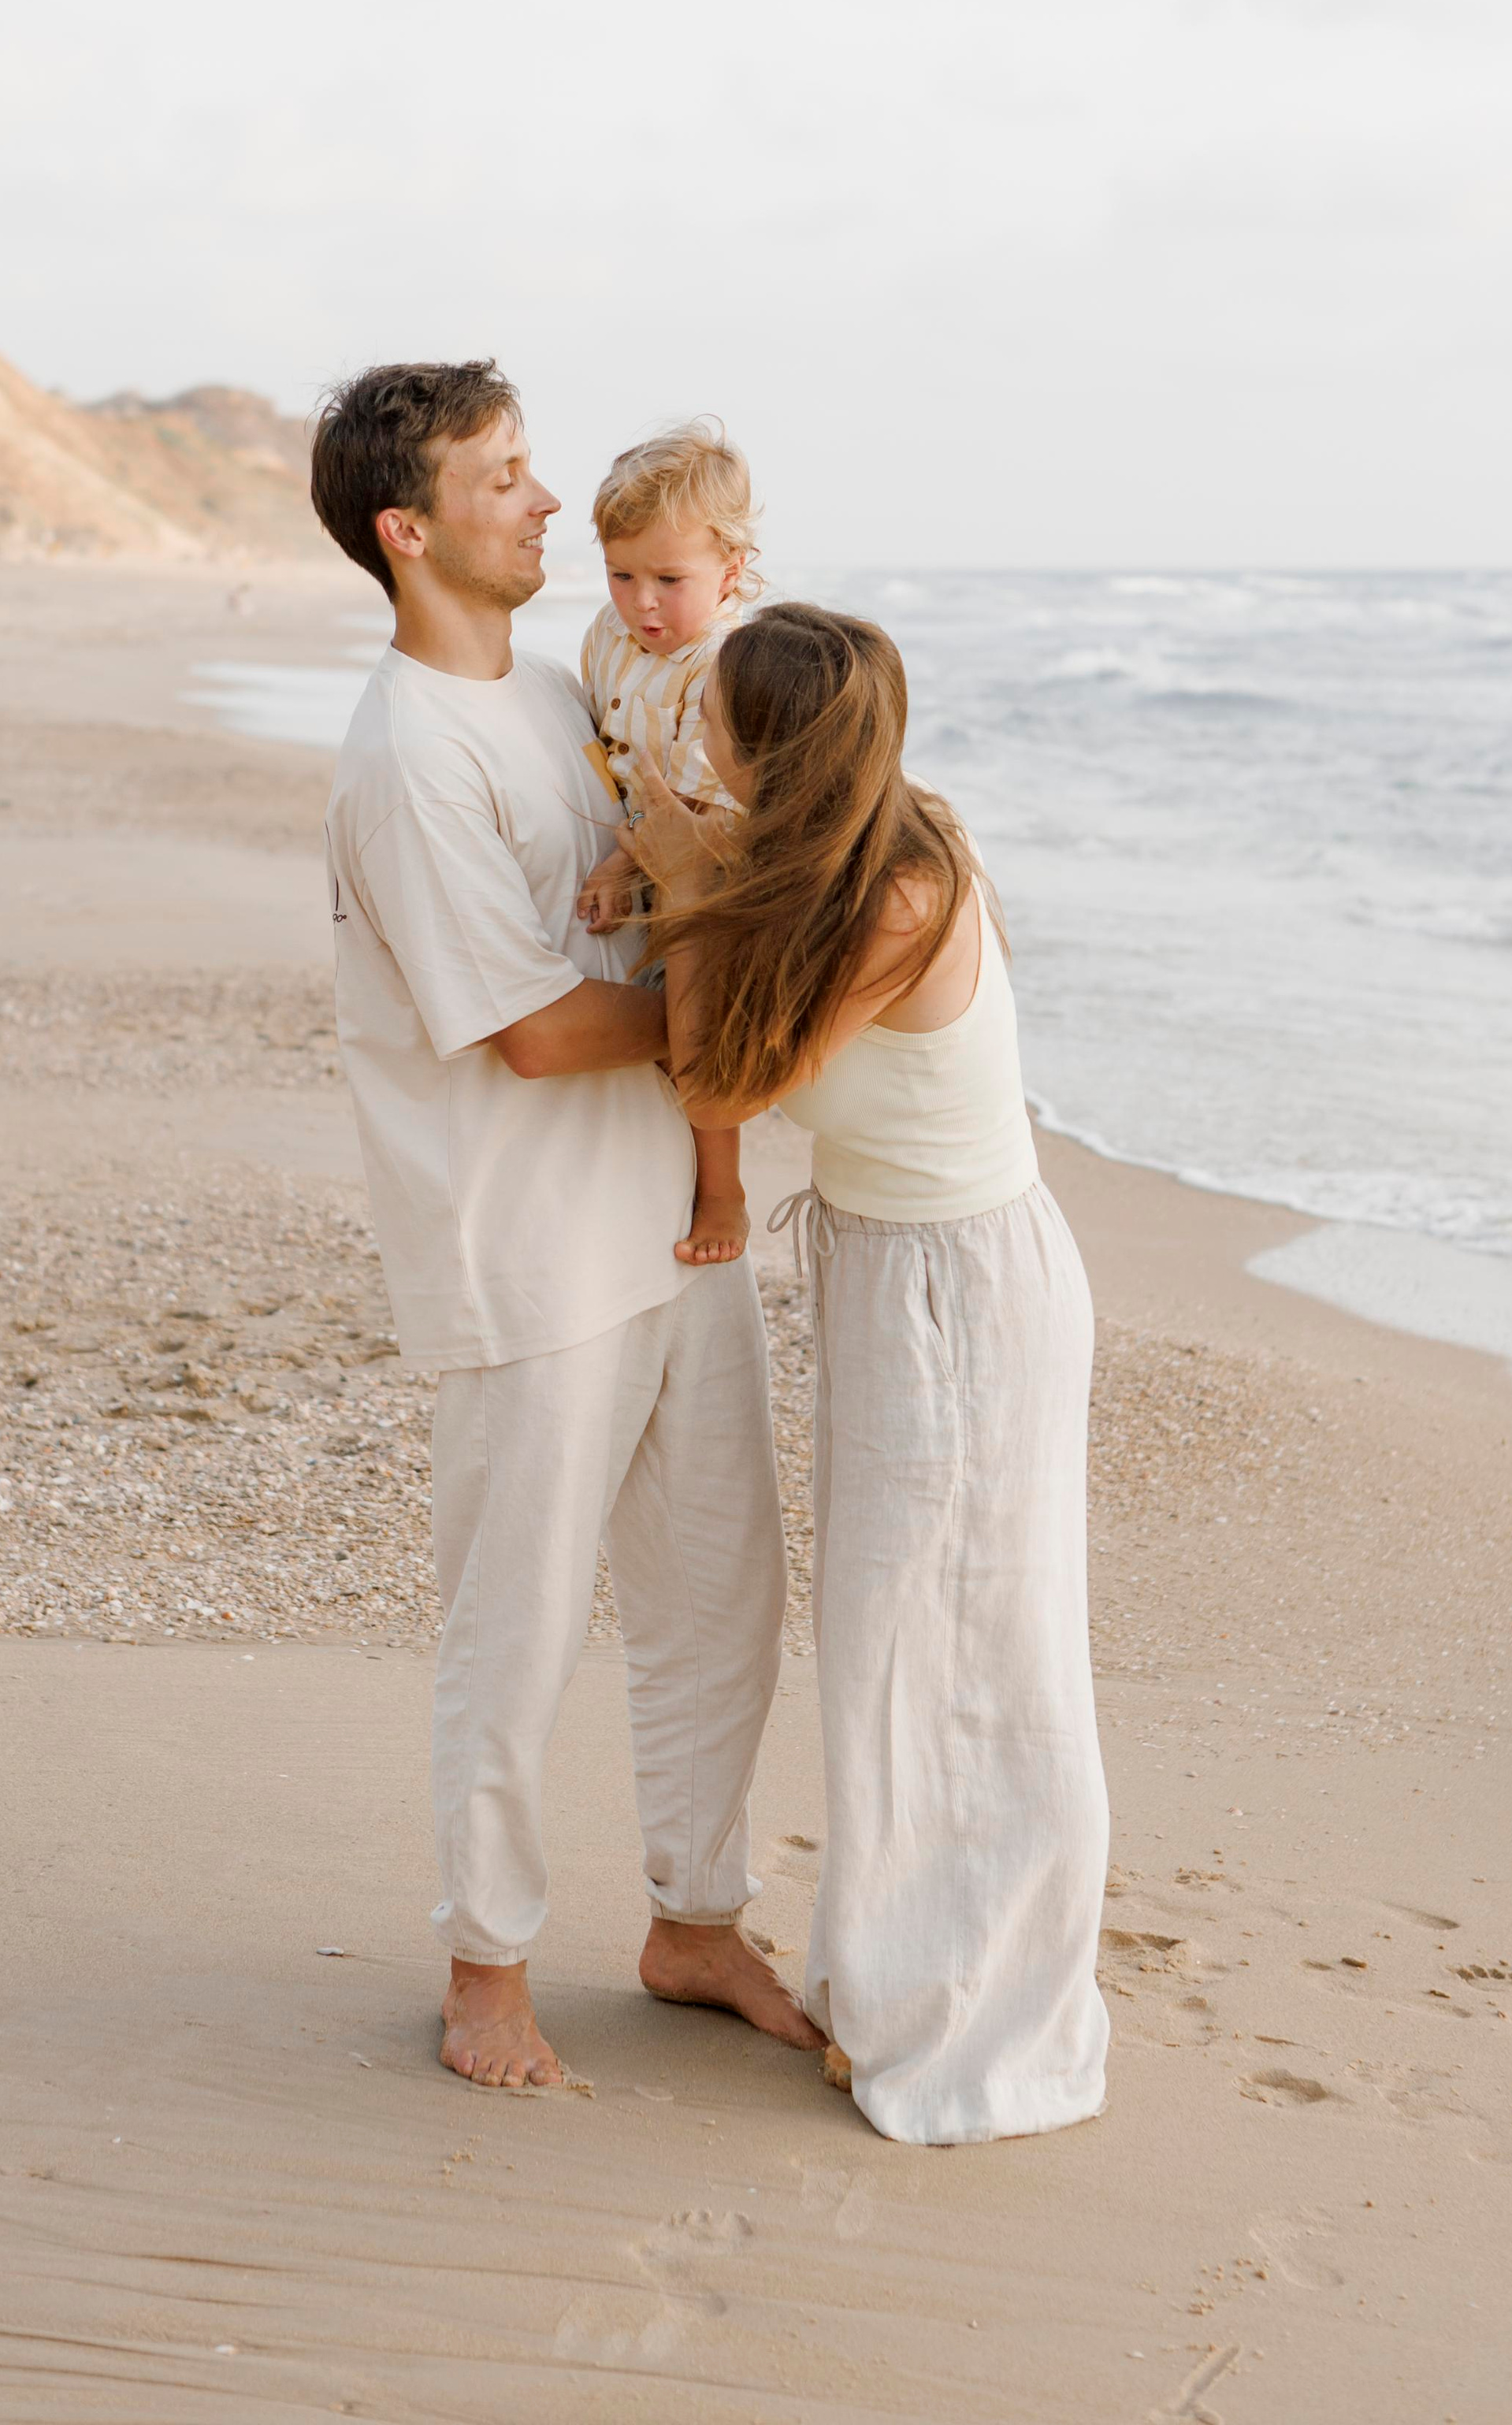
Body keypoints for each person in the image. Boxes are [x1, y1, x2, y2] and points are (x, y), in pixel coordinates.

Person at [310, 359, 820, 2092]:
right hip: (522, 1255)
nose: (542, 504)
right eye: (505, 476)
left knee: (718, 1599)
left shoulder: (556, 690)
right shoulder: (403, 756)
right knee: (515, 1623)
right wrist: (778, 1008)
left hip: (671, 1229)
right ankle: (485, 1970)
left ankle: (692, 1921)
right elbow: (532, 1028)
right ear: (410, 528)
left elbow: (678, 884)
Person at [624, 601, 1111, 2145]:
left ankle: (972, 2015)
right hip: (894, 1275)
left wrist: (686, 893)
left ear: (770, 745)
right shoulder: (846, 848)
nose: (693, 729)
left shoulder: (897, 890)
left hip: (959, 1295)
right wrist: (702, 865)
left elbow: (725, 1083)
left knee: (970, 1655)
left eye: (712, 714)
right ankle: (899, 1972)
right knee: (898, 1644)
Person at [574, 418, 760, 1268]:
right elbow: (596, 738)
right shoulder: (609, 639)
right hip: (644, 839)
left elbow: (696, 795)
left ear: (731, 569)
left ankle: (721, 1183)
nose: (642, 602)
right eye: (621, 574)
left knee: (698, 1027)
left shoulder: (723, 660)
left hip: (707, 859)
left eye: (669, 579)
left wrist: (620, 860)